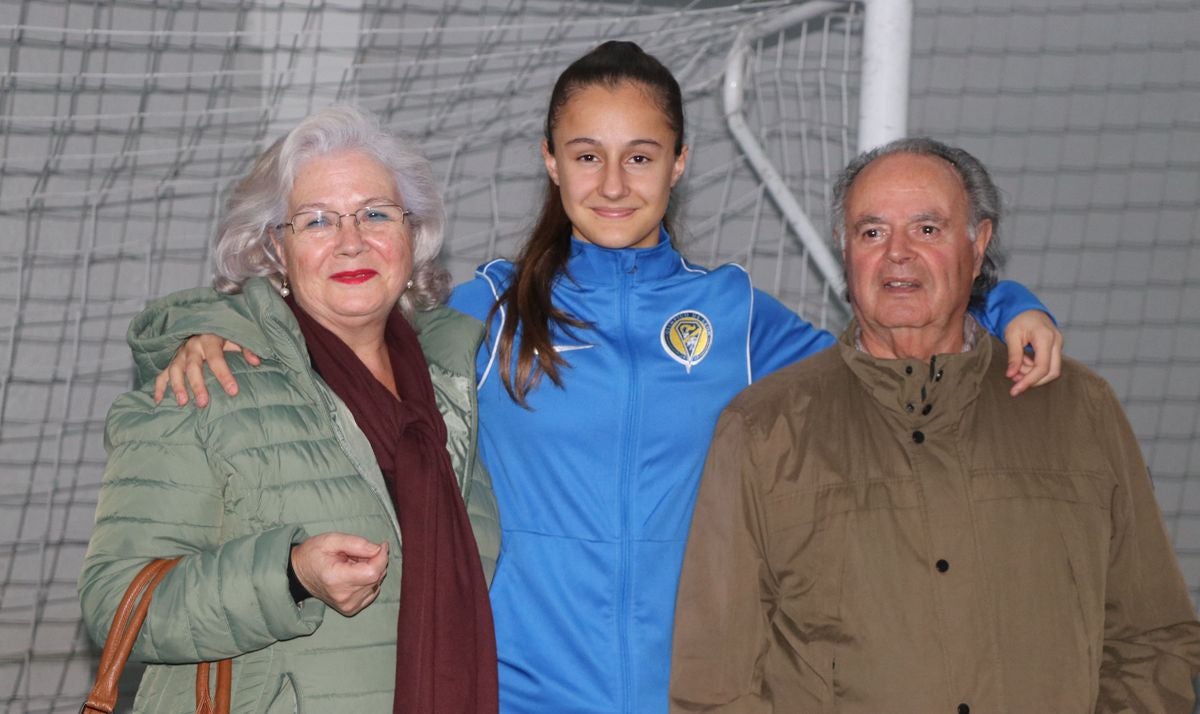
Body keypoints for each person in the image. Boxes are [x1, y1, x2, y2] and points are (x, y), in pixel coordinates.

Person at [153, 43, 1063, 714]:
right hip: (518, 695)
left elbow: (893, 338)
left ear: (681, 164)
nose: (615, 181)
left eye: (641, 155)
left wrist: (1007, 299)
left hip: (695, 695)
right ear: (551, 163)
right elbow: (335, 320)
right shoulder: (488, 309)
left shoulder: (737, 317)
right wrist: (204, 326)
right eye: (587, 154)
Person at [669, 137, 1200, 713]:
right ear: (845, 251)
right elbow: (716, 683)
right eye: (872, 232)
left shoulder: (1081, 409)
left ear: (979, 245)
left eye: (927, 229)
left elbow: (1153, 639)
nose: (897, 253)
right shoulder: (763, 429)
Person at [78, 106, 500, 713]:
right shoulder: (206, 383)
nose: (352, 241)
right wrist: (289, 576)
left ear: (414, 234)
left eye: (376, 214)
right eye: (318, 221)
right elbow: (115, 604)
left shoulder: (458, 394)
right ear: (275, 246)